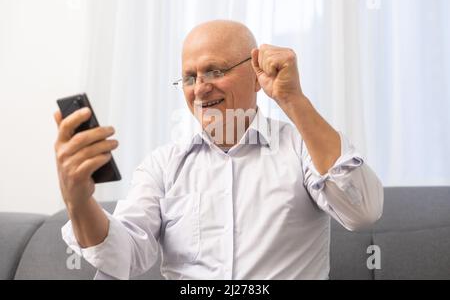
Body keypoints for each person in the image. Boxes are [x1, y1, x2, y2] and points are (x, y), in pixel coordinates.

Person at [53, 20, 383, 280]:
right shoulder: (163, 165)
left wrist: (293, 100)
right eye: (189, 77)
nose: (200, 88)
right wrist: (78, 201)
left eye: (215, 70)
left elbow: (363, 210)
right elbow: (122, 257)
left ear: (257, 77)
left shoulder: (300, 146)